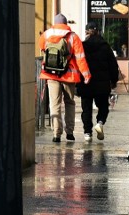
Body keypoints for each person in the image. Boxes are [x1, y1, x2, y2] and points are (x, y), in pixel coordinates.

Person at [38, 14, 91, 143]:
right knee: (70, 103)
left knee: (54, 104)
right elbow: (80, 58)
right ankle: (70, 132)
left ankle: (56, 134)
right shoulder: (73, 36)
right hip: (69, 75)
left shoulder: (46, 34)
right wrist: (86, 75)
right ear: (66, 23)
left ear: (55, 23)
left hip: (51, 75)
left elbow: (42, 49)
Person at [78, 22, 120, 142]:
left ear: (86, 32)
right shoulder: (105, 46)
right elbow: (113, 65)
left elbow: (77, 62)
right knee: (103, 106)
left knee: (86, 109)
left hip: (86, 82)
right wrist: (114, 80)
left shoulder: (82, 46)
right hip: (102, 84)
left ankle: (87, 133)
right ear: (98, 31)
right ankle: (100, 123)